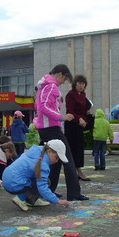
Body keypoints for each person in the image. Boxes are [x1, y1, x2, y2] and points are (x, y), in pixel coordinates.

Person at [35, 64, 88, 201]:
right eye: (64, 79)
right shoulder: (51, 86)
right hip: (51, 128)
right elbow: (43, 106)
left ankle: (49, 190)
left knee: (55, 160)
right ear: (59, 74)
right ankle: (74, 193)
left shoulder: (44, 86)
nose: (64, 82)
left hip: (46, 128)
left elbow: (39, 106)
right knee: (67, 158)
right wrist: (61, 117)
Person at [2, 139, 71, 211]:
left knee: (44, 181)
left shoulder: (37, 151)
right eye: (57, 158)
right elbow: (42, 187)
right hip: (13, 184)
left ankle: (32, 200)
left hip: (6, 178)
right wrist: (57, 201)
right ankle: (20, 199)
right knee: (45, 182)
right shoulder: (43, 165)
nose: (57, 161)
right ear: (49, 151)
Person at [65, 74, 91, 181]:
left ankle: (79, 170)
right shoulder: (70, 95)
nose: (81, 86)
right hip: (71, 125)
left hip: (80, 125)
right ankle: (72, 171)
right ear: (75, 84)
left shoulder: (83, 95)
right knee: (72, 148)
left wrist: (84, 120)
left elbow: (85, 111)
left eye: (83, 84)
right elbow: (70, 111)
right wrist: (79, 118)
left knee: (80, 148)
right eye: (79, 83)